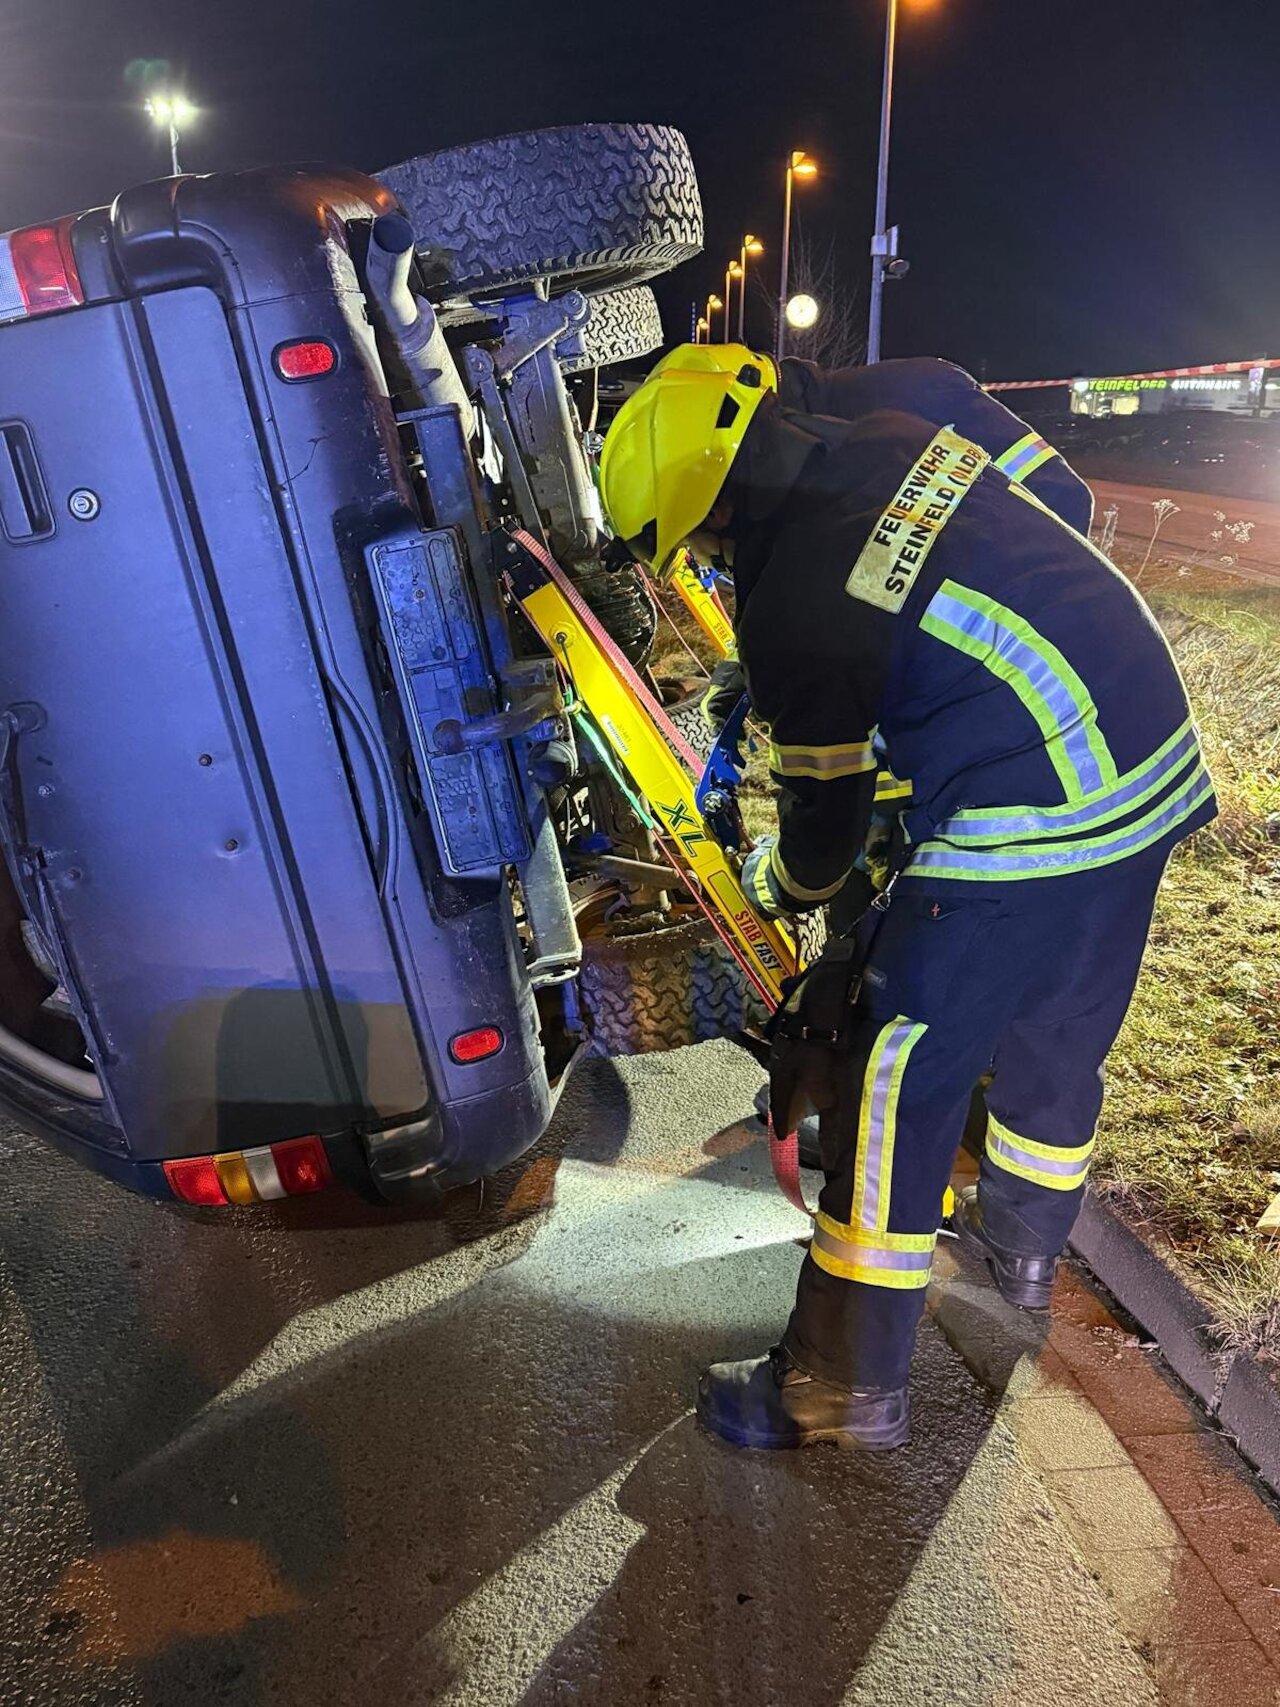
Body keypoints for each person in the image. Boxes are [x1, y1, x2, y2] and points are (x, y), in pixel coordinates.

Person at [598, 353, 1215, 1452]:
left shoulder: (793, 606)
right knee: (1053, 1032)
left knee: (895, 1080)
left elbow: (822, 853)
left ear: (713, 510)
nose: (710, 567)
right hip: (1145, 748)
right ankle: (1020, 1257)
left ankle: (838, 1385)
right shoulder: (902, 416)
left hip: (1025, 815)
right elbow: (1055, 507)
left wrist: (765, 882)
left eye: (699, 549)